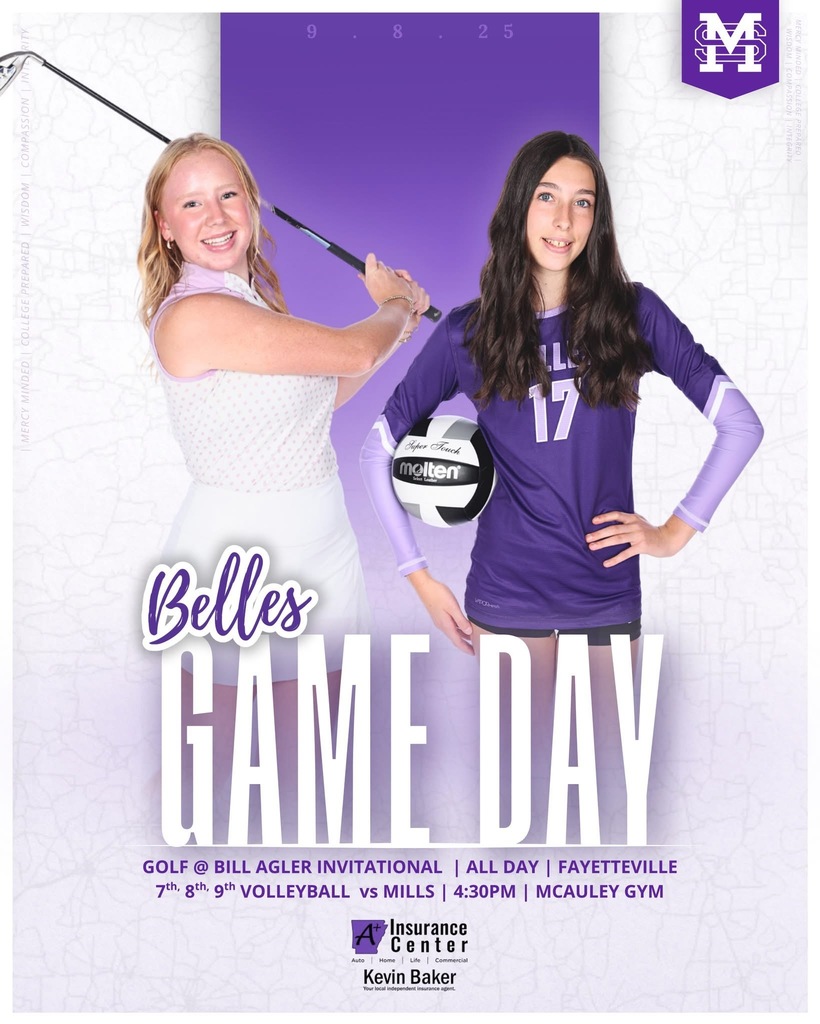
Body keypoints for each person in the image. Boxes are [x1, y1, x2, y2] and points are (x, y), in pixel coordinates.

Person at [359, 131, 763, 839]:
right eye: (547, 197)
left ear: (597, 221)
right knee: (518, 808)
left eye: (583, 203)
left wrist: (675, 529)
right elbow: (376, 448)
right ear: (520, 207)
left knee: (613, 803)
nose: (563, 219)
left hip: (606, 591)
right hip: (506, 596)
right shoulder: (466, 334)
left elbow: (741, 425)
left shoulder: (633, 314)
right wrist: (419, 577)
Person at [137, 133, 429, 835]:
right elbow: (354, 346)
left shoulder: (250, 306)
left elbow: (319, 398)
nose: (216, 214)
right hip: (235, 564)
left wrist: (403, 322)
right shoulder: (195, 314)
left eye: (229, 193)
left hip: (320, 547)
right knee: (207, 759)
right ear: (165, 227)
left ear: (254, 205)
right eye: (191, 201)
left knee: (313, 751)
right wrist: (390, 305)